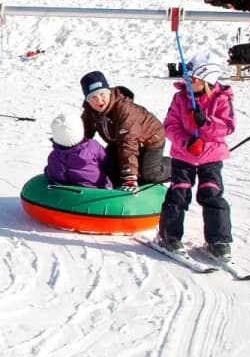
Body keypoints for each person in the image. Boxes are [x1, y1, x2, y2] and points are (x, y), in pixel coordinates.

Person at [158, 52, 236, 257]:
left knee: (212, 194)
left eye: (192, 79)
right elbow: (170, 125)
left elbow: (227, 127)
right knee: (178, 193)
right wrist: (186, 142)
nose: (187, 82)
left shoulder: (221, 99)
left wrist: (206, 123)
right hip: (184, 156)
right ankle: (170, 236)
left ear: (207, 80)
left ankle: (218, 240)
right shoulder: (180, 98)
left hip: (210, 157)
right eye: (186, 77)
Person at [79, 70, 170, 190]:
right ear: (87, 100)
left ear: (109, 92)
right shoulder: (90, 113)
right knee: (109, 168)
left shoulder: (124, 111)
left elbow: (128, 143)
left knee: (149, 174)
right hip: (118, 141)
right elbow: (81, 136)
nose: (99, 101)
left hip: (150, 140)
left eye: (102, 94)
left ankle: (177, 166)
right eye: (93, 97)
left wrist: (130, 177)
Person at [44, 111, 111, 188]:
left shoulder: (54, 156)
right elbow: (107, 162)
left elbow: (50, 173)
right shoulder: (92, 147)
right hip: (94, 190)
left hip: (64, 191)